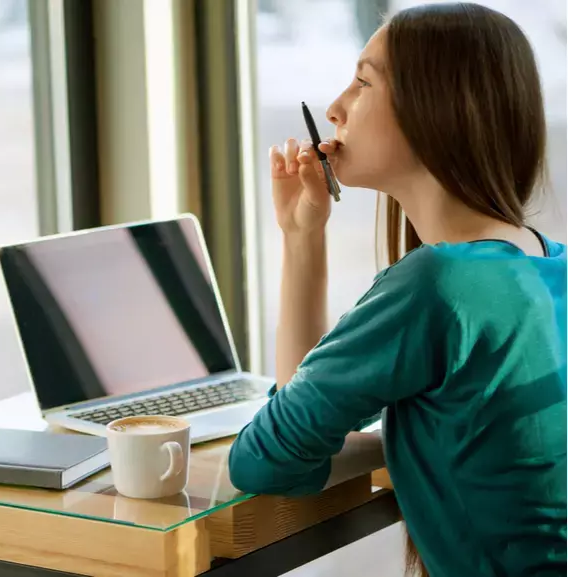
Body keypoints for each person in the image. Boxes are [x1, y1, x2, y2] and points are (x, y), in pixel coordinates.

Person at [227, 3, 566, 576]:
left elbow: (265, 461)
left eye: (362, 83)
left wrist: (383, 442)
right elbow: (293, 431)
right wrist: (300, 237)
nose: (334, 109)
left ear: (438, 110)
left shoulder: (440, 285)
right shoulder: (546, 264)